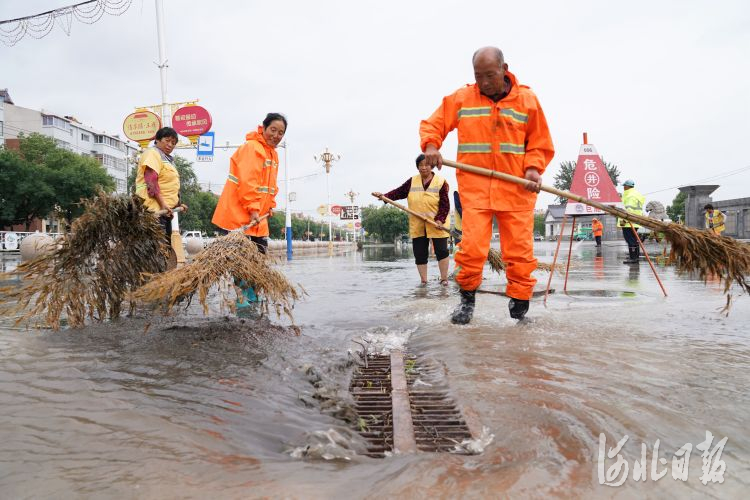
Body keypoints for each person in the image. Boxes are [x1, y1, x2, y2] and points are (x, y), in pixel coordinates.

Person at [420, 46, 554, 323]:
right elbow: (434, 124)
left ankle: (519, 309)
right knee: (472, 250)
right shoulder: (462, 98)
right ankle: (466, 302)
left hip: (516, 190)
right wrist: (432, 146)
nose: (483, 83)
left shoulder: (527, 100)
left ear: (505, 69)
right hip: (476, 189)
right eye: (478, 76)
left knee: (519, 253)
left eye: (490, 75)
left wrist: (532, 170)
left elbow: (540, 143)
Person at [212, 113, 287, 307]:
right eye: (273, 130)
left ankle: (252, 293)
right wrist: (254, 209)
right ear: (263, 127)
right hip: (240, 216)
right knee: (241, 260)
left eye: (281, 133)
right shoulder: (253, 148)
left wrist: (269, 206)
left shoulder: (273, 154)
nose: (276, 135)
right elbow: (248, 183)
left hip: (257, 218)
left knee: (258, 257)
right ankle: (242, 297)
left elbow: (270, 186)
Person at [374, 154, 451, 286]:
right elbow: (399, 192)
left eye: (426, 165)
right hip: (418, 224)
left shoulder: (440, 182)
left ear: (431, 166)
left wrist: (440, 220)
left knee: (442, 251)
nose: (424, 168)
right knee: (420, 253)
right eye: (420, 165)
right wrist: (385, 196)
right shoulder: (412, 181)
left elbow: (445, 204)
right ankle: (424, 281)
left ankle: (444, 279)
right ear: (417, 167)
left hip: (437, 223)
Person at [135, 126, 187, 246]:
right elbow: (151, 181)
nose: (170, 145)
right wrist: (163, 204)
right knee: (156, 250)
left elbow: (168, 185)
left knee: (164, 249)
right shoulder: (152, 153)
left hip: (164, 211)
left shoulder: (167, 160)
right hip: (152, 210)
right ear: (157, 140)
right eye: (167, 140)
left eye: (173, 143)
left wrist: (178, 204)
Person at [617, 179, 645, 264]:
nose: (624, 187)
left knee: (630, 240)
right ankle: (634, 257)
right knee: (634, 240)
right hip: (634, 221)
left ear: (628, 186)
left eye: (624, 186)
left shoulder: (630, 196)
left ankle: (633, 258)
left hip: (628, 222)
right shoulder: (635, 194)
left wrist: (624, 220)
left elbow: (628, 209)